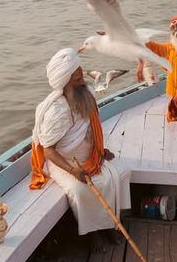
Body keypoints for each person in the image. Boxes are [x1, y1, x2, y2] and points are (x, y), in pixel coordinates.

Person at [30, 48, 131, 250]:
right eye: (77, 80)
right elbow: (48, 150)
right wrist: (73, 170)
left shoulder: (88, 94)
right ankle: (91, 234)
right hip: (65, 163)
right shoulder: (57, 111)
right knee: (80, 190)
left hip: (92, 156)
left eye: (81, 75)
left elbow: (91, 129)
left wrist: (101, 150)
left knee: (119, 173)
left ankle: (110, 225)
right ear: (65, 82)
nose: (82, 80)